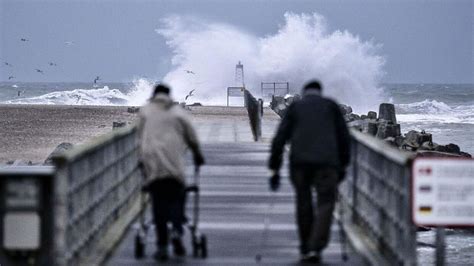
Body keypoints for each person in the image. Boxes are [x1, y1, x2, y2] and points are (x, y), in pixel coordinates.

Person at [268, 80, 351, 264]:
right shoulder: (330, 106)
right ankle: (316, 246)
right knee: (326, 202)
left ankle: (306, 246)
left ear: (305, 92)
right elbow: (344, 138)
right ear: (320, 92)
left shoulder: (296, 107)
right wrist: (344, 165)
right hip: (327, 165)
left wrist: (274, 168)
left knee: (303, 203)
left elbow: (280, 138)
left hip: (300, 164)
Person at [138, 84, 205, 261]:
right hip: (174, 167)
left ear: (154, 95)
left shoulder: (145, 112)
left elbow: (140, 138)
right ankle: (176, 230)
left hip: (152, 167)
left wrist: (141, 160)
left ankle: (161, 245)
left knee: (158, 204)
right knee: (177, 198)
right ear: (169, 96)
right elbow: (191, 137)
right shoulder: (177, 113)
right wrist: (198, 154)